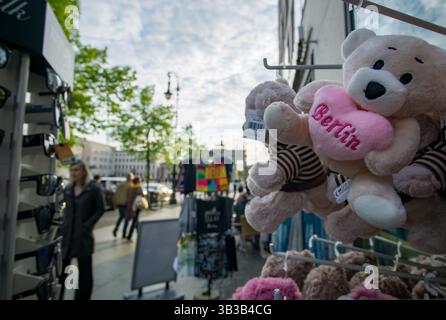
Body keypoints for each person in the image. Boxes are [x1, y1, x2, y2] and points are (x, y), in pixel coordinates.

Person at [59, 160, 105, 300]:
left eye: (77, 170)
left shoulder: (93, 188)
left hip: (83, 236)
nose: (74, 173)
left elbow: (100, 209)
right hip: (67, 236)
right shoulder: (68, 189)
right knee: (63, 272)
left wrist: (87, 225)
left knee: (84, 274)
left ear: (84, 171)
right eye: (72, 170)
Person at [112, 173, 133, 238]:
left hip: (120, 203)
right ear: (131, 178)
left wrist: (115, 203)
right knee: (126, 219)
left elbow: (116, 194)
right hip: (126, 204)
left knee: (121, 217)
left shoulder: (120, 185)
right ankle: (123, 233)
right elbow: (130, 196)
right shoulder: (130, 185)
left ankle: (116, 229)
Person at [123, 177, 144, 242]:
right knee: (134, 222)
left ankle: (139, 235)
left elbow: (127, 197)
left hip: (130, 207)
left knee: (135, 221)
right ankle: (129, 236)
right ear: (137, 182)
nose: (140, 182)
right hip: (136, 207)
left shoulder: (130, 188)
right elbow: (142, 197)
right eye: (139, 181)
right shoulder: (139, 188)